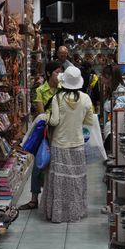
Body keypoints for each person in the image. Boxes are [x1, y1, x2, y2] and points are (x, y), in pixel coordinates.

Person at [40, 65, 94, 224]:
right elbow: (89, 121)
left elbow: (55, 121)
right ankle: (75, 212)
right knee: (76, 180)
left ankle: (58, 214)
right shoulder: (86, 98)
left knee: (60, 180)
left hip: (59, 143)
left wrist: (47, 117)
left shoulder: (57, 98)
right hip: (77, 143)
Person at [19, 60, 62, 210]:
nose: (60, 75)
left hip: (61, 131)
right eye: (57, 72)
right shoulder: (41, 90)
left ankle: (56, 197)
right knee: (39, 162)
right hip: (46, 131)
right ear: (49, 73)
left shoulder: (63, 89)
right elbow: (41, 113)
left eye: (61, 72)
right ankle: (34, 199)